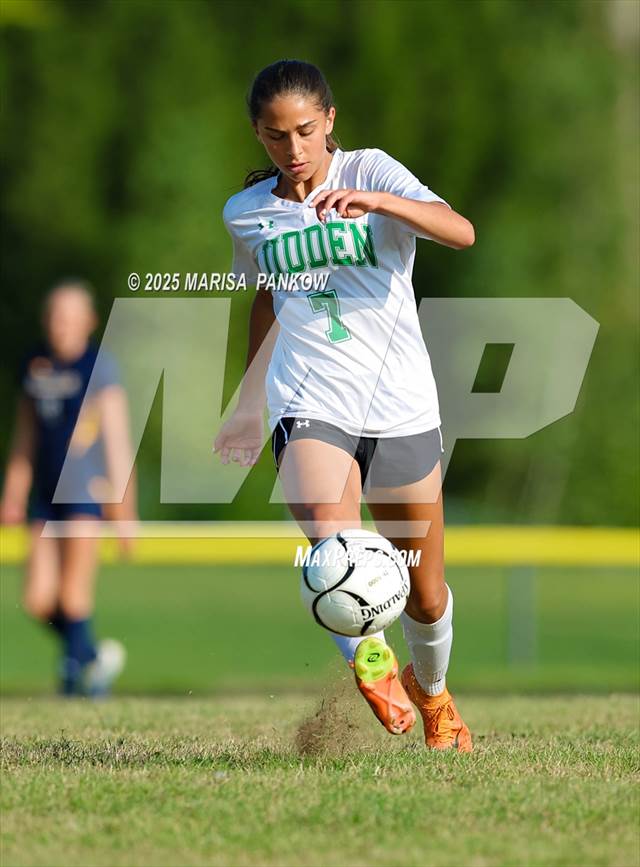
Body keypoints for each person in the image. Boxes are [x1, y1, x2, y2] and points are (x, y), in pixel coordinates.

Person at [214, 60, 475, 752]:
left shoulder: (374, 169)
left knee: (424, 592)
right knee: (334, 547)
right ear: (258, 135)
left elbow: (459, 231)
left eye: (304, 130)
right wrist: (246, 401)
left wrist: (380, 203)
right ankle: (369, 657)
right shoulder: (246, 213)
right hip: (307, 400)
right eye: (275, 136)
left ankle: (435, 692)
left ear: (329, 119)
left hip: (400, 404)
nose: (292, 149)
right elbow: (266, 296)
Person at [0, 279, 137, 696]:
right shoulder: (34, 365)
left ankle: (75, 681)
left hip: (85, 494)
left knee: (74, 596)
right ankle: (93, 657)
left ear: (88, 322)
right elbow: (25, 436)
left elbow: (117, 442)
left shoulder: (99, 369)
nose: (59, 325)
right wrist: (13, 494)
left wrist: (124, 509)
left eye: (68, 317)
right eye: (54, 316)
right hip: (44, 496)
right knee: (40, 600)